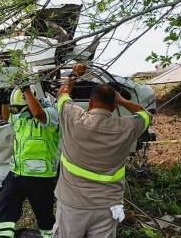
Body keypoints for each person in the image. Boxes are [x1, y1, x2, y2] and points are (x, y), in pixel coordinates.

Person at [52, 64, 151, 238]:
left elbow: (62, 94)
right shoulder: (126, 127)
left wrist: (74, 75)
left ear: (90, 103)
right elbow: (145, 115)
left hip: (73, 204)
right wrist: (122, 100)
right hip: (108, 206)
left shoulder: (74, 118)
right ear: (113, 107)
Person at [0, 87, 60, 238]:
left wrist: (26, 90)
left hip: (41, 178)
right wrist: (5, 101)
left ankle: (48, 235)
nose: (17, 112)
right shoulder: (20, 116)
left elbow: (38, 114)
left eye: (20, 108)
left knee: (44, 217)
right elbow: (7, 117)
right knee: (6, 205)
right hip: (17, 174)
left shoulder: (51, 113)